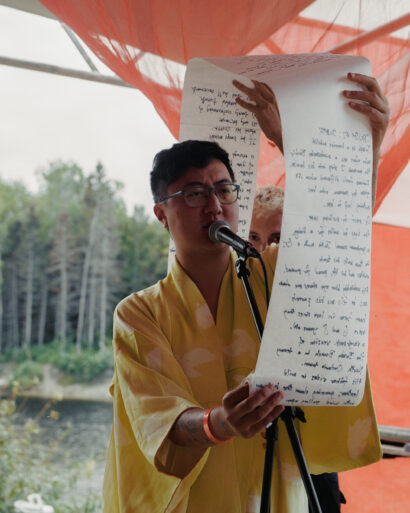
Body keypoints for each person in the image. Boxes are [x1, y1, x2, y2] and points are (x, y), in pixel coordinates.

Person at [102, 73, 389, 513]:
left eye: (223, 190)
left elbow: (338, 235)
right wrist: (221, 423)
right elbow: (156, 421)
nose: (215, 206)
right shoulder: (140, 314)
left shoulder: (272, 274)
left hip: (278, 494)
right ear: (162, 214)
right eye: (194, 193)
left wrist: (348, 143)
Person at [249, 185, 346, 512]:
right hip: (250, 465)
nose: (263, 251)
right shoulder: (231, 299)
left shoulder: (315, 303)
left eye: (276, 239)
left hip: (310, 465)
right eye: (253, 239)